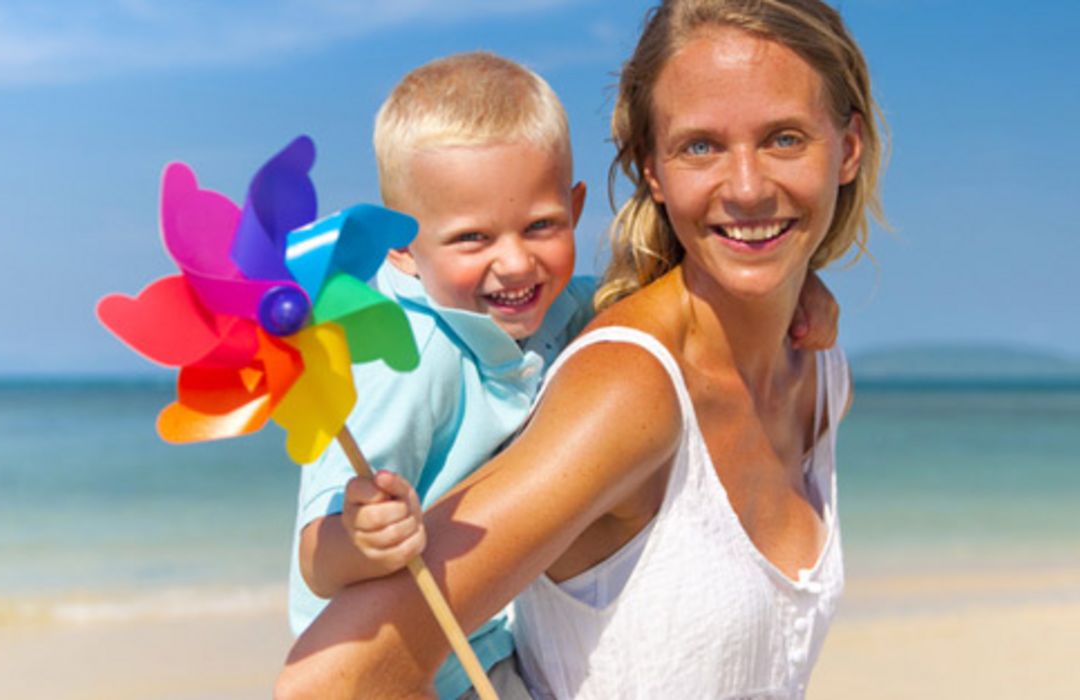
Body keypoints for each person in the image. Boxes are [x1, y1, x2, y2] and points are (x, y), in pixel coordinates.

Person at [276, 0, 884, 697]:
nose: (745, 186)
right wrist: (355, 539)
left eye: (783, 138)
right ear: (651, 170)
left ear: (848, 148)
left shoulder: (816, 369)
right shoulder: (585, 382)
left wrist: (801, 289)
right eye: (699, 146)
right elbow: (329, 681)